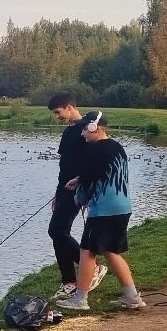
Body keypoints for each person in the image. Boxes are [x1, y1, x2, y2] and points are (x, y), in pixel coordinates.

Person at [56, 113, 143, 312]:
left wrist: (79, 197)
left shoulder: (93, 150)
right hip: (122, 207)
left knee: (87, 252)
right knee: (111, 252)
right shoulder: (116, 147)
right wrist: (79, 179)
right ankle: (133, 298)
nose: (82, 133)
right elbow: (103, 171)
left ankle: (80, 299)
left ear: (95, 127)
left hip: (103, 210)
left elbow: (86, 187)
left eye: (84, 129)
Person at [45, 92, 105, 303]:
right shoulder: (68, 132)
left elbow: (94, 161)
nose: (57, 117)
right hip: (64, 189)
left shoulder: (86, 129)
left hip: (77, 190)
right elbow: (64, 166)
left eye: (58, 112)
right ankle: (69, 281)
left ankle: (92, 267)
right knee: (58, 233)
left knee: (56, 230)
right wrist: (57, 193)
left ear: (69, 107)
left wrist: (86, 188)